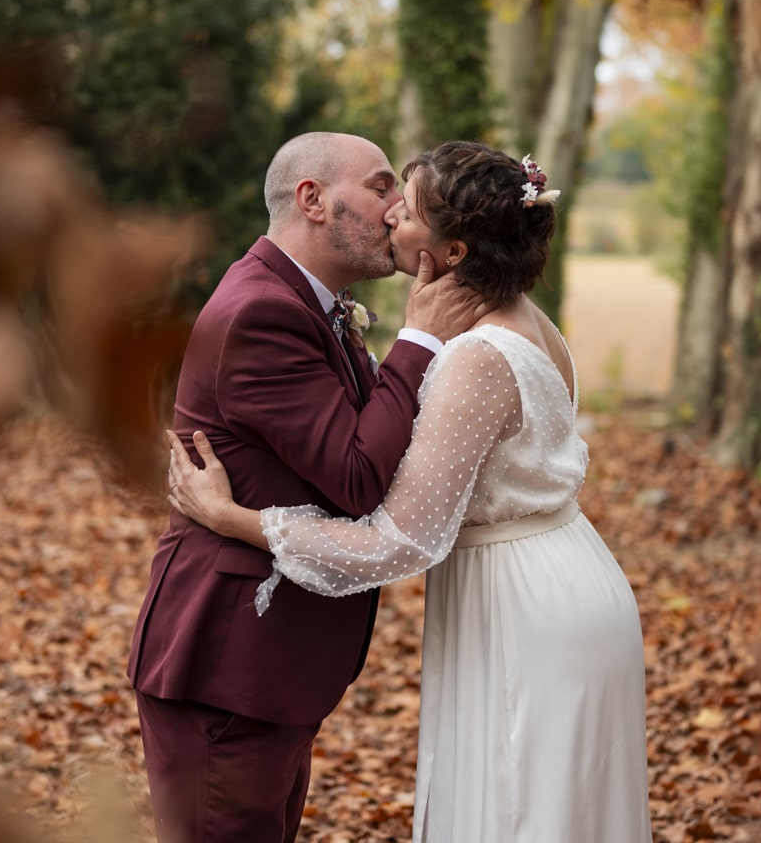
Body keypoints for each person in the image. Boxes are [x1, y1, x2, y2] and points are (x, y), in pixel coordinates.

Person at [167, 141, 653, 843]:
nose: (393, 211)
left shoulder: (477, 355)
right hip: (563, 578)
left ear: (453, 253)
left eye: (409, 202)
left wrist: (235, 517)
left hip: (525, 607)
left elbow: (397, 537)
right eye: (384, 189)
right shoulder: (530, 322)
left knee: (522, 816)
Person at [127, 132, 487, 843]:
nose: (395, 211)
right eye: (382, 187)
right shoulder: (263, 313)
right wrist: (417, 342)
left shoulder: (308, 301)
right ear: (312, 200)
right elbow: (356, 476)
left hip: (268, 665)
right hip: (228, 664)